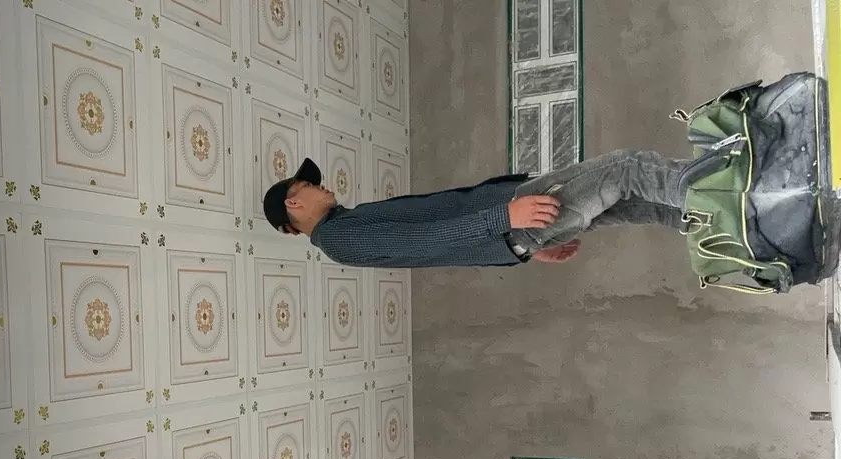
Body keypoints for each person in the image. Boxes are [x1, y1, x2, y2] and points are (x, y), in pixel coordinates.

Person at [261, 149, 696, 268]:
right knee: (625, 169)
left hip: (515, 226)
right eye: (309, 185)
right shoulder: (339, 237)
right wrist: (507, 219)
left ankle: (718, 219)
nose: (321, 186)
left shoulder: (344, 228)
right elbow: (426, 241)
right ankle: (712, 191)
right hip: (511, 218)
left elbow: (434, 236)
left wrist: (527, 244)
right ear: (293, 202)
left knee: (631, 204)